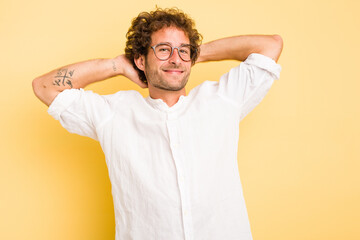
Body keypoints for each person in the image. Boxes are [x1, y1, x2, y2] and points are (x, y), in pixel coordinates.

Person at [32, 7, 283, 240]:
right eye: (163, 49)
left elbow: (270, 45)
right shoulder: (114, 113)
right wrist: (117, 65)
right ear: (140, 60)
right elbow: (44, 86)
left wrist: (193, 54)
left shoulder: (222, 99)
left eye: (182, 50)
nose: (175, 59)